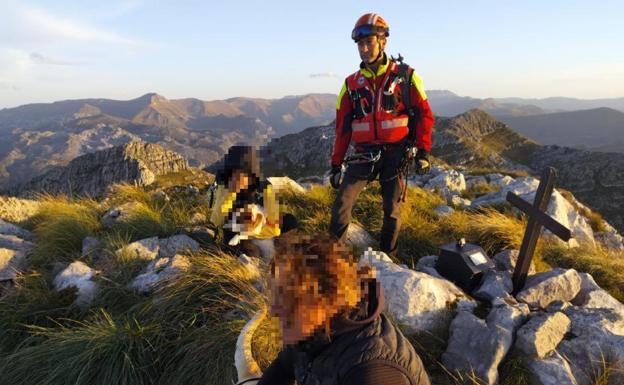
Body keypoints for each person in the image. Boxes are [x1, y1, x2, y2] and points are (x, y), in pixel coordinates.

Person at [255, 235, 430, 385]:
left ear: (330, 301)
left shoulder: (374, 372)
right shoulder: (312, 331)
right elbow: (284, 367)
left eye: (288, 300)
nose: (273, 312)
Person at [329, 13, 434, 256]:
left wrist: (423, 152)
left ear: (383, 42)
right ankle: (333, 259)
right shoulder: (350, 84)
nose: (364, 49)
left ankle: (388, 260)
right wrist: (336, 164)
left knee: (392, 209)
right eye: (360, 45)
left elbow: (424, 115)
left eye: (369, 43)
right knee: (342, 204)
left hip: (396, 153)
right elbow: (342, 128)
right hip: (364, 155)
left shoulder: (406, 77)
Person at [209, 145, 297, 260]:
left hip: (261, 232)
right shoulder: (225, 187)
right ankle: (245, 256)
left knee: (290, 221)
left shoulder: (266, 188)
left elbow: (274, 227)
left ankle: (281, 250)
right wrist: (230, 193)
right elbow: (216, 220)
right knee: (235, 227)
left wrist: (250, 231)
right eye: (233, 173)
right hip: (238, 236)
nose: (237, 178)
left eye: (242, 173)